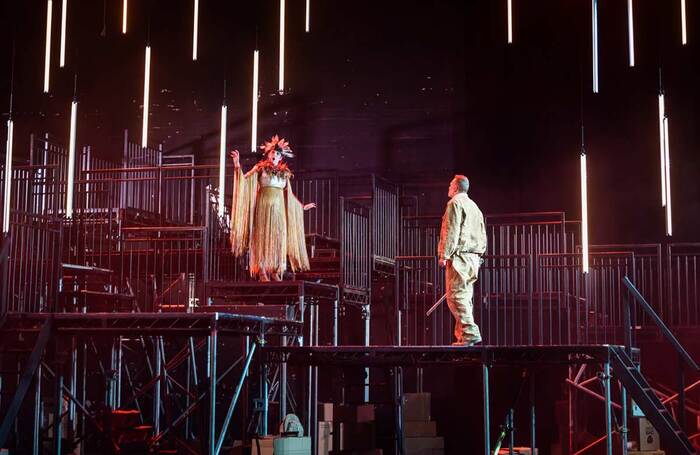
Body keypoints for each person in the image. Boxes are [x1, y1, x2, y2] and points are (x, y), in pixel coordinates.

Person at [229, 135, 316, 281]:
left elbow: (290, 195)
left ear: (280, 157)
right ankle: (262, 269)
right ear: (267, 155)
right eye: (272, 153)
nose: (274, 155)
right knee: (263, 238)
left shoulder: (284, 174)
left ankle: (276, 269)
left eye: (277, 154)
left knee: (278, 238)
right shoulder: (260, 169)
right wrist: (237, 165)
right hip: (263, 209)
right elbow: (244, 181)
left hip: (279, 211)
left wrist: (301, 207)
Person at [437, 175, 487, 346]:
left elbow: (451, 230)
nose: (448, 187)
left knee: (456, 295)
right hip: (473, 257)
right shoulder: (474, 206)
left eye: (451, 184)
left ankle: (470, 333)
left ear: (456, 187)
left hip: (460, 256)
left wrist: (444, 254)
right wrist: (480, 254)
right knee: (464, 296)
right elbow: (482, 232)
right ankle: (464, 335)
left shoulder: (455, 204)